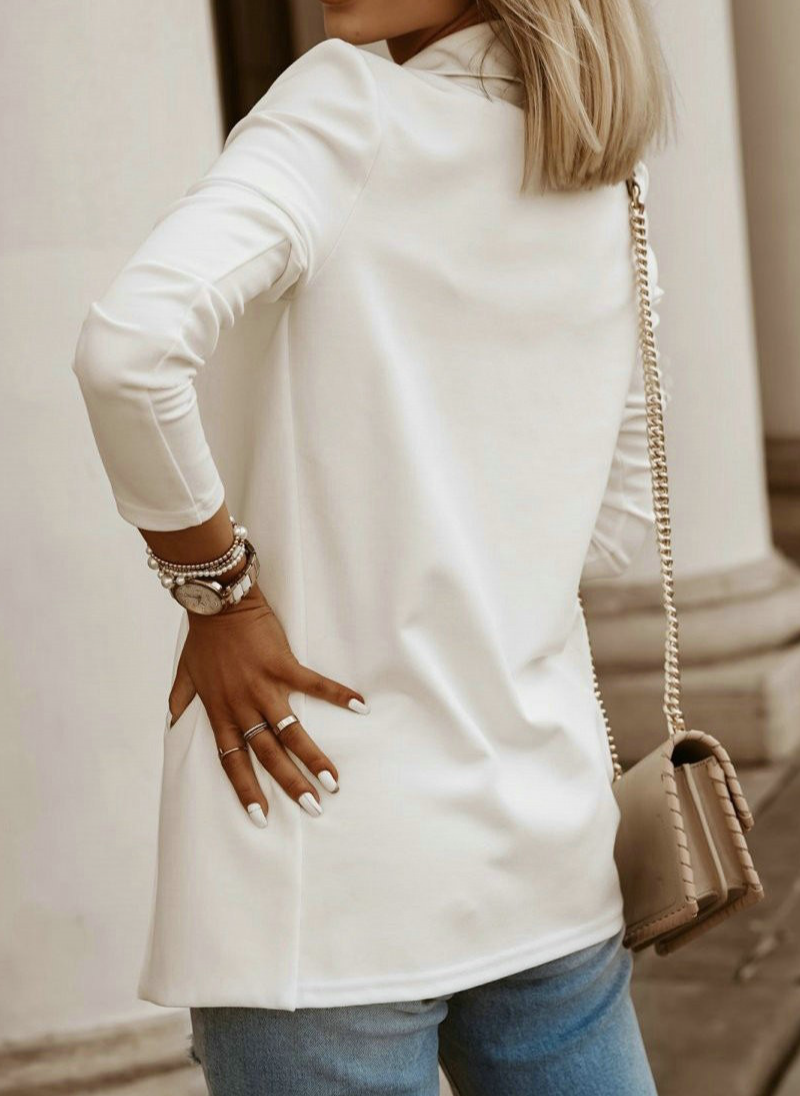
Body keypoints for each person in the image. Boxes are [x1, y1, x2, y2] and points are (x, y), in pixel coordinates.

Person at [71, 0, 673, 1092]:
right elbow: (617, 530)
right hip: (544, 839)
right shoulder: (601, 174)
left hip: (317, 848)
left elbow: (130, 352)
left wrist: (221, 595)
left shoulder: (346, 106)